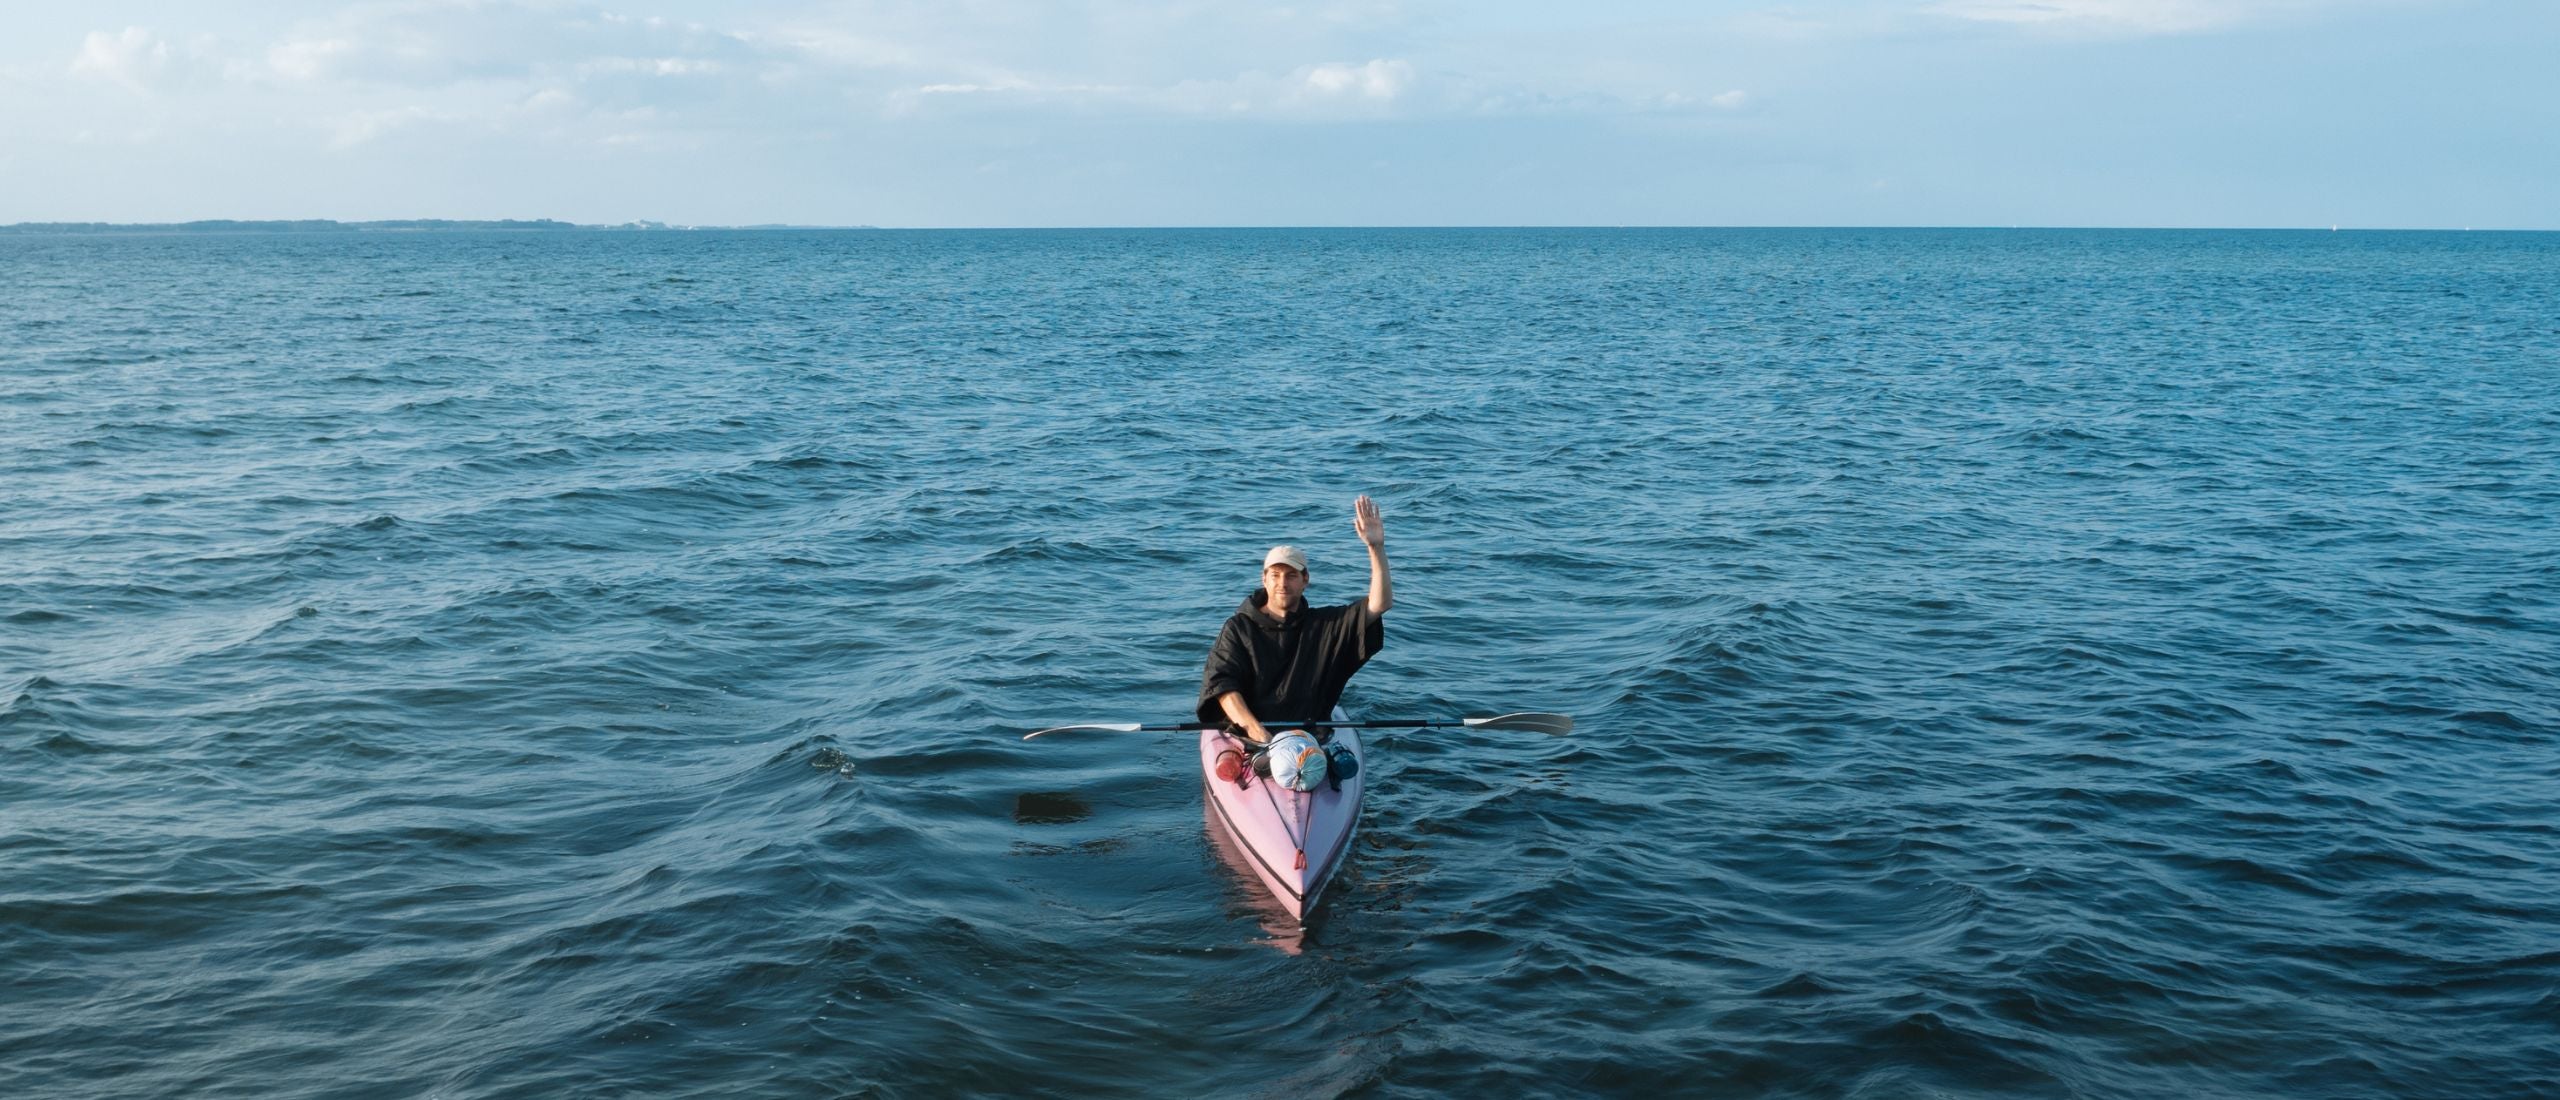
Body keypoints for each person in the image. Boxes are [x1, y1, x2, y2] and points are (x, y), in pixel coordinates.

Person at [1196, 495, 1393, 747]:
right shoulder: (1238, 629)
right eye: (1275, 575)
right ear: (1264, 579)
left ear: (1305, 579)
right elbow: (1222, 685)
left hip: (1312, 739)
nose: (1282, 583)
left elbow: (1380, 603)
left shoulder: (1325, 626)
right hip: (1251, 738)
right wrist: (1258, 733)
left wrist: (1375, 548)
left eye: (1291, 575)